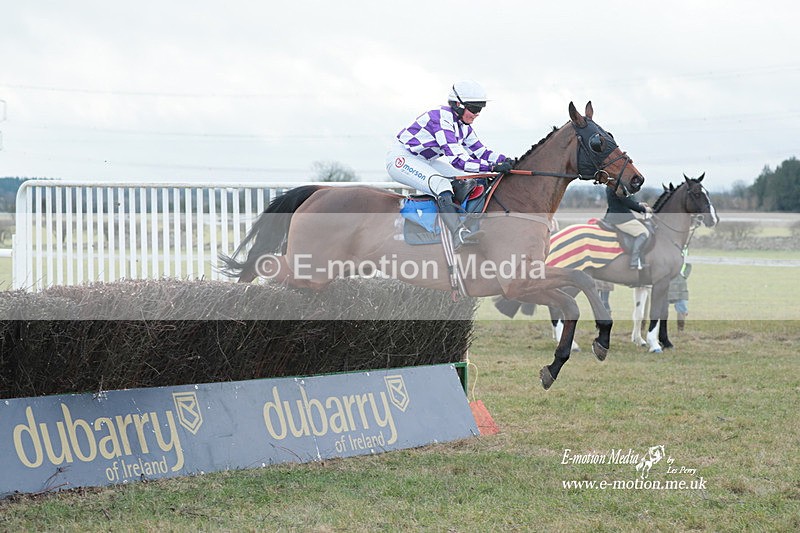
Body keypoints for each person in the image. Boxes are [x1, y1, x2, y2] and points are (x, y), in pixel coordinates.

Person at [386, 80, 512, 248]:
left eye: (480, 109)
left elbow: (481, 151)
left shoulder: (462, 125)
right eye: (474, 109)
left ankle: (464, 222)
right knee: (441, 183)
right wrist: (492, 167)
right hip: (402, 159)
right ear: (458, 105)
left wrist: (507, 161)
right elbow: (458, 160)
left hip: (425, 160)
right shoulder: (441, 119)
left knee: (468, 179)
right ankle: (458, 232)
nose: (477, 114)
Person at [602, 184, 653, 269]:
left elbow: (623, 201)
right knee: (644, 232)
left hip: (614, 216)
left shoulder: (611, 185)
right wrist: (644, 209)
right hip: (621, 219)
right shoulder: (618, 185)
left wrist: (639, 204)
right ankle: (635, 261)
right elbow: (627, 202)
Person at [668, 262, 692, 331]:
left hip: (679, 286)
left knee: (681, 309)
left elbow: (688, 265)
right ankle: (680, 330)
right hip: (673, 287)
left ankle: (680, 330)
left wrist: (684, 275)